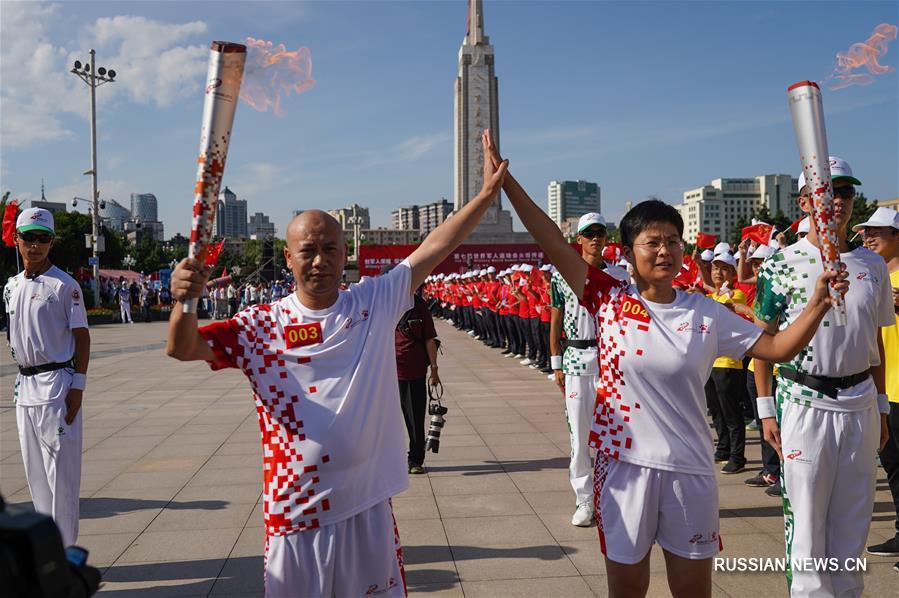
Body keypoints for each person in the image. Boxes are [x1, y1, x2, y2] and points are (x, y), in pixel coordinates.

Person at [484, 132, 846, 598]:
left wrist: (817, 303)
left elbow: (777, 351)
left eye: (673, 241)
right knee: (627, 590)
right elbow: (551, 239)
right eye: (652, 241)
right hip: (623, 468)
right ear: (629, 251)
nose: (664, 251)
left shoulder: (706, 310)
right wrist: (506, 184)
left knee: (693, 591)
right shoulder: (607, 297)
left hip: (690, 469)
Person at [167, 131, 507, 597]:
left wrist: (486, 195)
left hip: (365, 506)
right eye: (308, 250)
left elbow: (435, 246)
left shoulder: (373, 302)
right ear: (288, 258)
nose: (320, 260)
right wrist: (183, 302)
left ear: (345, 253)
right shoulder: (261, 324)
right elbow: (184, 348)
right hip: (294, 512)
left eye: (330, 249)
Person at [754, 158, 893, 597]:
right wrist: (765, 411)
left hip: (861, 402)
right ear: (803, 202)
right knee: (808, 518)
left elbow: (875, 339)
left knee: (854, 518)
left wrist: (883, 405)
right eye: (825, 192)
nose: (837, 201)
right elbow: (762, 343)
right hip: (804, 400)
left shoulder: (872, 265)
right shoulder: (782, 264)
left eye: (846, 193)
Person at [4, 208, 90, 547]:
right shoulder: (11, 287)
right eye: (29, 238)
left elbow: (82, 337)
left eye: (43, 239)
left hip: (57, 387)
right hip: (25, 388)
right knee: (35, 476)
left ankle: (67, 553)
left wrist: (78, 387)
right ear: (17, 240)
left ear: (51, 243)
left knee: (61, 480)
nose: (35, 246)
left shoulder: (65, 286)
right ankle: (48, 553)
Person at [549, 212, 628, 527]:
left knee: (614, 434)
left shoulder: (620, 276)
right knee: (580, 437)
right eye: (589, 233)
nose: (596, 238)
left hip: (611, 363)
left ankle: (612, 497)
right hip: (577, 360)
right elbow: (555, 320)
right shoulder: (562, 276)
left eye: (601, 233)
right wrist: (555, 362)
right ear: (578, 239)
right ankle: (584, 499)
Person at [855, 207, 899, 569]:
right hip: (881, 387)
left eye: (878, 232)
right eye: (866, 232)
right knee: (893, 465)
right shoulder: (869, 274)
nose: (868, 238)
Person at [706, 252, 752, 474]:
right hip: (710, 361)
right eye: (715, 268)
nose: (718, 272)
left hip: (728, 362)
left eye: (724, 268)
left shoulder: (736, 295)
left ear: (733, 274)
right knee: (716, 410)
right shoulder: (711, 297)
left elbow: (729, 311)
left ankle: (737, 456)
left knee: (732, 412)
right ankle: (723, 448)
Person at [395, 286, 440, 475]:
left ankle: (415, 459)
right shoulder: (383, 305)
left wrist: (434, 370)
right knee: (385, 421)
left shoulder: (419, 305)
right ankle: (388, 459)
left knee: (415, 418)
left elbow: (430, 339)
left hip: (414, 372)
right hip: (386, 373)